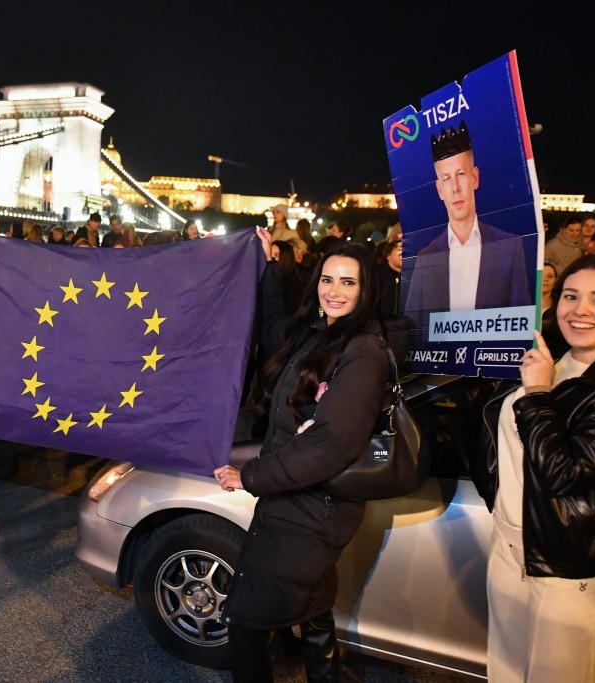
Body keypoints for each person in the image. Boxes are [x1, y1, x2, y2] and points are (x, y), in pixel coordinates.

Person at [214, 231, 391, 683]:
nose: (334, 291)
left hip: (314, 506)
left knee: (246, 619)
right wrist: (272, 266)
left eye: (348, 283)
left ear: (367, 289)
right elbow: (273, 327)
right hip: (297, 499)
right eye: (327, 279)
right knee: (312, 607)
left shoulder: (363, 353)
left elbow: (329, 445)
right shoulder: (317, 335)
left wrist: (249, 476)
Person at [477, 255, 595, 682]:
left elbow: (564, 474)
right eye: (571, 296)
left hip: (571, 561)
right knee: (506, 674)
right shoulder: (547, 359)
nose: (580, 310)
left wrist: (536, 394)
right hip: (511, 548)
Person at [403, 121, 531, 333]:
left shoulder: (509, 246)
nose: (455, 188)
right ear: (439, 190)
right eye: (446, 178)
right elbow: (410, 330)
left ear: (475, 177)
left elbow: (521, 325)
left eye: (461, 174)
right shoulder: (426, 257)